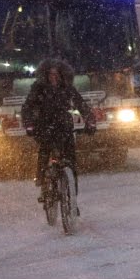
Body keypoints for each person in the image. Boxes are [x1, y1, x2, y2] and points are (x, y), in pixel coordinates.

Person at [21, 59, 95, 202]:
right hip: (44, 126)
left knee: (71, 161)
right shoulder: (38, 88)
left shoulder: (67, 88)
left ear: (62, 75)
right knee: (45, 150)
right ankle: (42, 180)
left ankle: (72, 198)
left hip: (64, 126)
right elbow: (28, 107)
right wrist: (29, 124)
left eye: (56, 75)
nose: (53, 77)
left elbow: (81, 105)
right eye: (50, 74)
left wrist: (90, 121)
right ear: (45, 75)